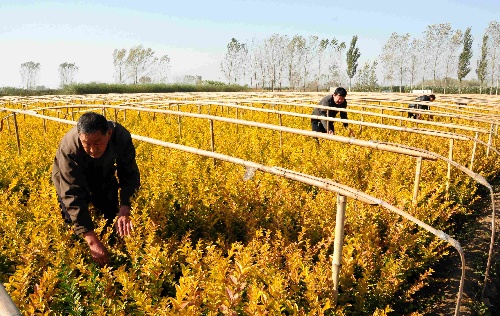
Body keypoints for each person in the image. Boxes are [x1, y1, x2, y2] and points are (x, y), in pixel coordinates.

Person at [52, 112, 140, 266]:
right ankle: (82, 259)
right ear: (80, 136)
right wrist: (92, 241)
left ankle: (115, 252)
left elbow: (129, 174)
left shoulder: (121, 137)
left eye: (97, 142)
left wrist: (125, 207)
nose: (92, 149)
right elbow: (71, 193)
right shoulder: (69, 148)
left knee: (111, 213)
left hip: (103, 172)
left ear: (109, 134)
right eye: (87, 144)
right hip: (68, 179)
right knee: (72, 220)